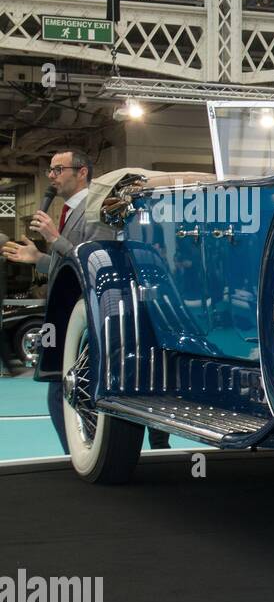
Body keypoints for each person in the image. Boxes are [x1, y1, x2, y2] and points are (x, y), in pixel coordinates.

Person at [1, 148, 170, 451]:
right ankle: (85, 454)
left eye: (58, 170)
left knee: (65, 391)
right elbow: (68, 266)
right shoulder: (67, 212)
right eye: (50, 170)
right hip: (72, 317)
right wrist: (39, 258)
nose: (51, 177)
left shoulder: (98, 209)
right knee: (67, 391)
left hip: (93, 319)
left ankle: (82, 455)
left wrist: (55, 239)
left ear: (82, 172)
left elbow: (96, 263)